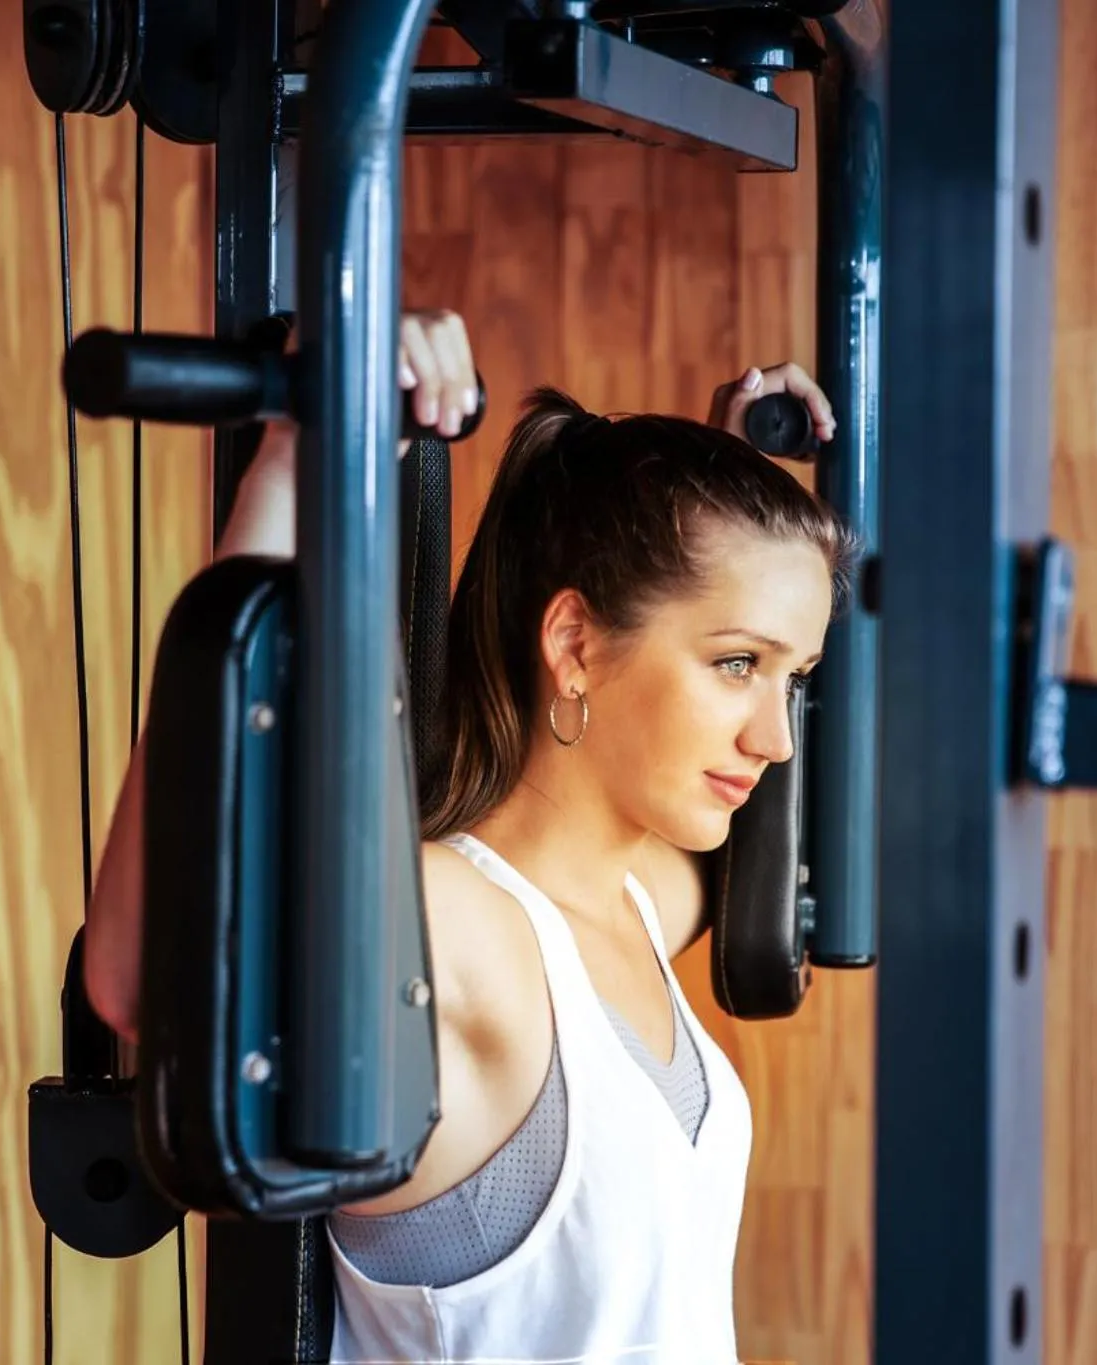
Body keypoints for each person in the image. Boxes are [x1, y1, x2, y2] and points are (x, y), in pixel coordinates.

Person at [82, 310, 856, 1362]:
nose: (773, 737)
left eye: (791, 678)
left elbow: (748, 834)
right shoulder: (462, 929)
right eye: (735, 666)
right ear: (574, 642)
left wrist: (725, 476)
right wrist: (292, 464)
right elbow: (147, 976)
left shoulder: (634, 898)